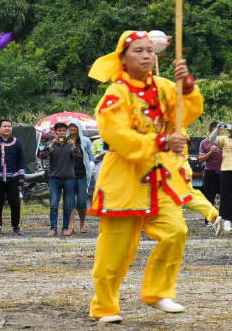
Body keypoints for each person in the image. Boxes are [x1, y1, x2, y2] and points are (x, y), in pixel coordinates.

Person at [87, 30, 203, 321]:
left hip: (158, 176)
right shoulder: (116, 93)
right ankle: (104, 306)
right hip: (124, 178)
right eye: (138, 50)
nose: (147, 55)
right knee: (115, 251)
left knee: (175, 231)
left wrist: (187, 87)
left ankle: (158, 291)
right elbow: (116, 133)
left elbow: (184, 115)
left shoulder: (164, 86)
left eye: (150, 50)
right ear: (123, 58)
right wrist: (160, 142)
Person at [39, 122, 79, 237]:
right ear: (55, 132)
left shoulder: (71, 144)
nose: (61, 133)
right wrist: (52, 144)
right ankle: (53, 228)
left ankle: (65, 228)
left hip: (69, 178)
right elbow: (41, 155)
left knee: (68, 205)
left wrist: (73, 145)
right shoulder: (51, 144)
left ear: (66, 132)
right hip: (54, 178)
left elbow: (78, 156)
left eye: (63, 131)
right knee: (54, 204)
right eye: (59, 131)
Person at [68, 121, 93, 234]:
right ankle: (71, 225)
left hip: (82, 174)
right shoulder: (65, 140)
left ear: (79, 128)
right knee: (70, 201)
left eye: (75, 126)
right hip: (68, 174)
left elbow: (90, 155)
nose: (73, 128)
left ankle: (82, 224)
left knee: (82, 202)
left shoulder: (85, 141)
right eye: (71, 126)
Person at [198, 121, 222, 210]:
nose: (216, 133)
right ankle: (209, 219)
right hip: (209, 172)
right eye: (214, 131)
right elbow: (200, 159)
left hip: (223, 171)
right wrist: (210, 152)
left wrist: (221, 150)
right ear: (210, 130)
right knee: (209, 197)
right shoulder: (204, 142)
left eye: (218, 130)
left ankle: (223, 218)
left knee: (225, 197)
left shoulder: (223, 141)